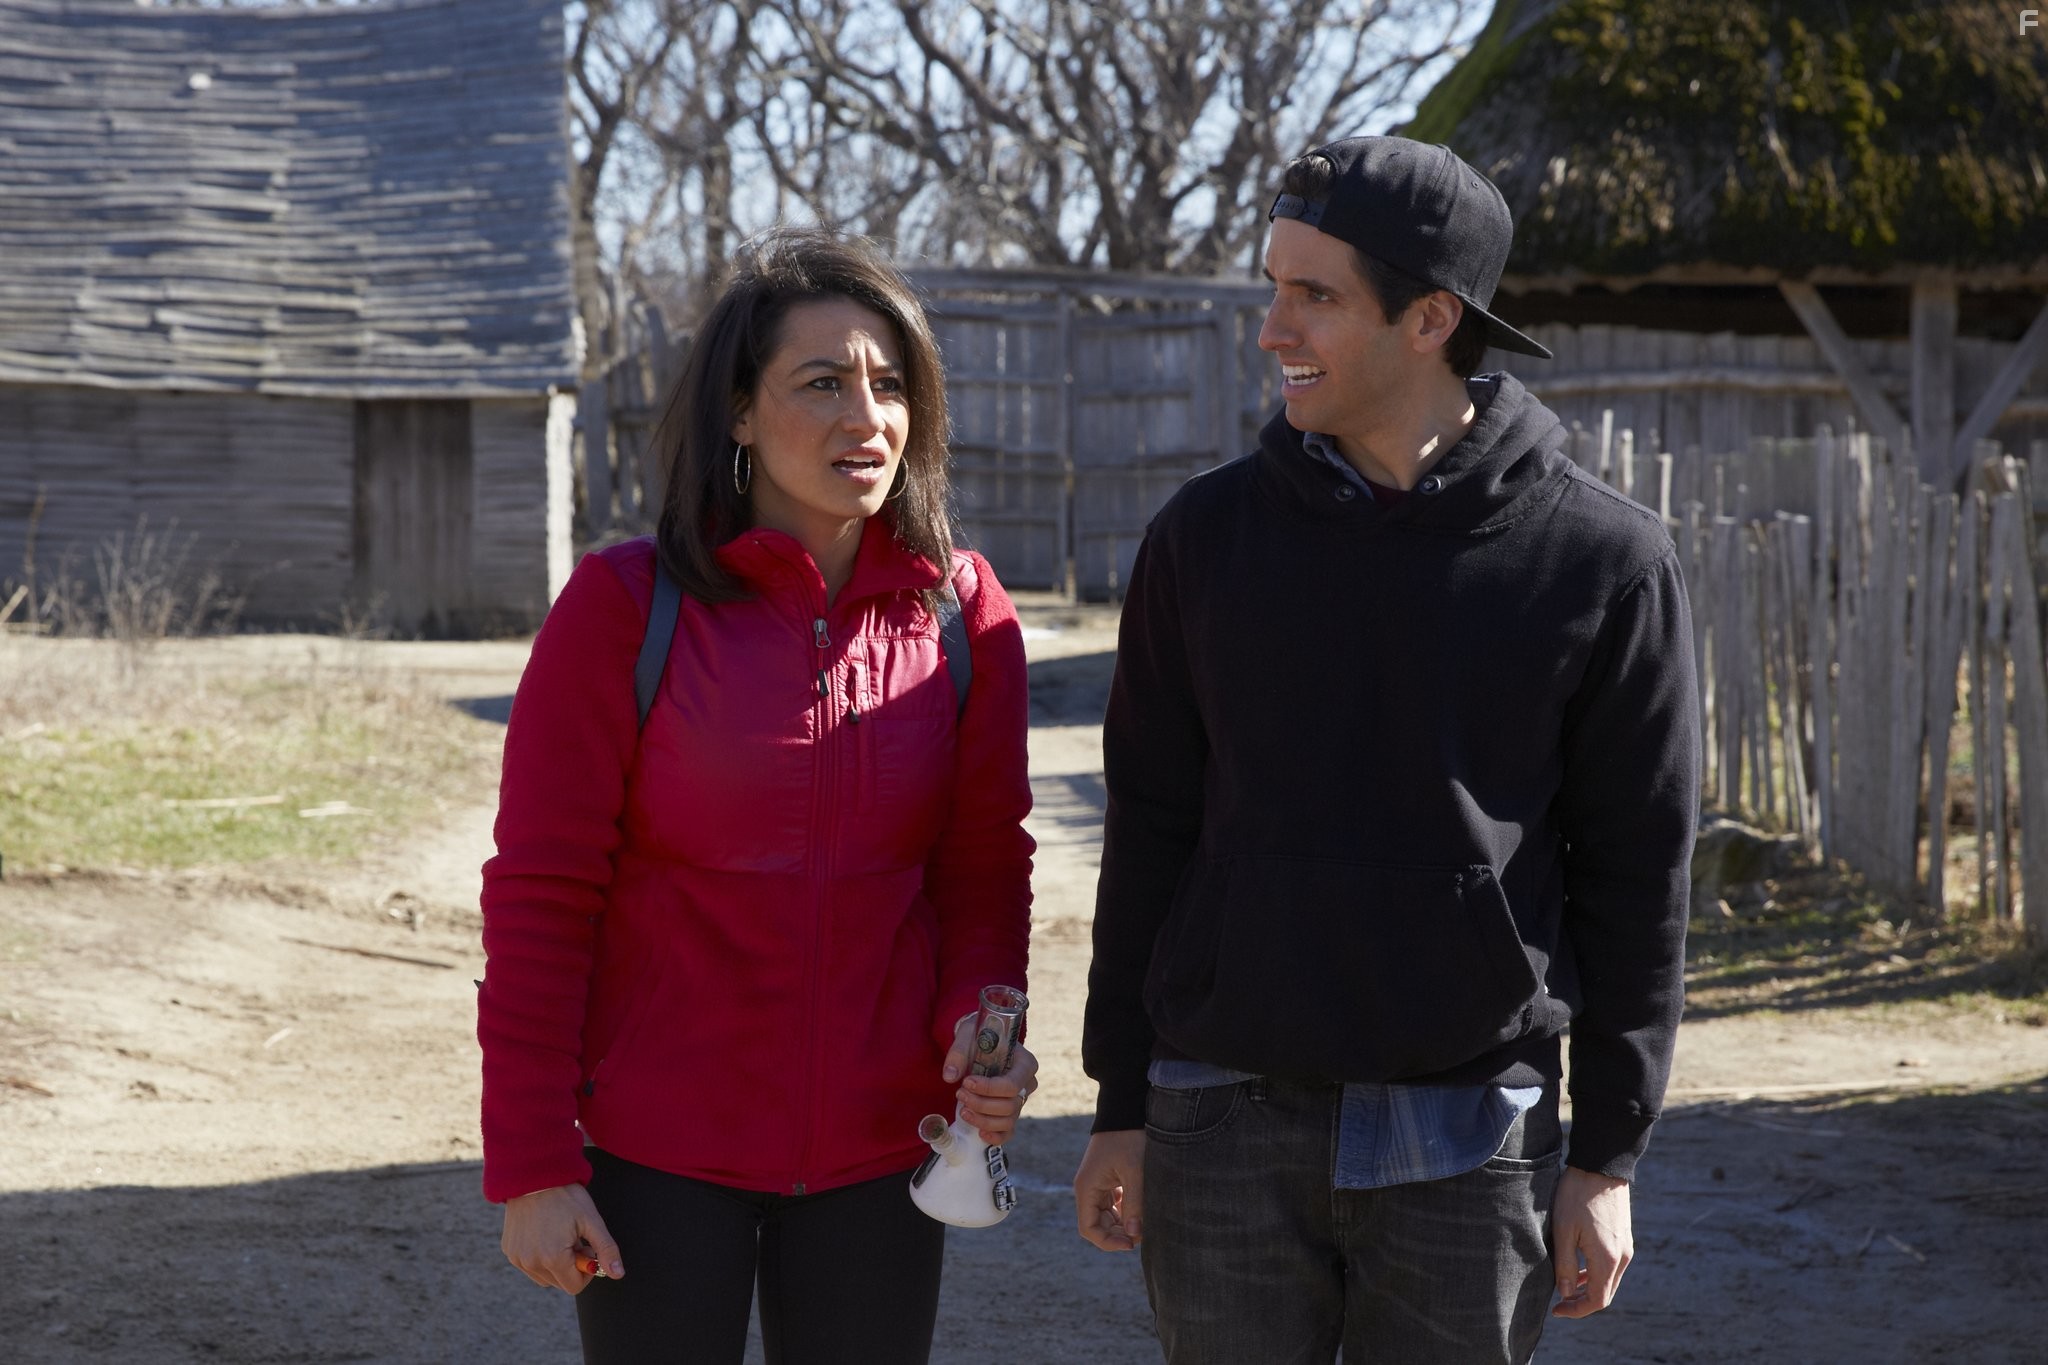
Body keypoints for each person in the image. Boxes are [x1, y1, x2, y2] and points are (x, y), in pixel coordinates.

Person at [1071, 136, 1700, 1364]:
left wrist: (1607, 1156)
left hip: (1471, 1126)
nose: (1269, 327)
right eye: (1271, 284)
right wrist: (1118, 1104)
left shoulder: (1603, 563)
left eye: (1312, 295)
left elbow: (1638, 874)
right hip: (1215, 1110)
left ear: (1429, 318)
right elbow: (1147, 827)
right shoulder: (1198, 542)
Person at [478, 227, 1037, 1365]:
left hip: (883, 1155)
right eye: (821, 383)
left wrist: (981, 1021)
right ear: (739, 413)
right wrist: (533, 1164)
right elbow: (540, 896)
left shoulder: (964, 615)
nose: (864, 417)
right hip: (656, 1152)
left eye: (889, 386)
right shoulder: (621, 609)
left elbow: (983, 867)